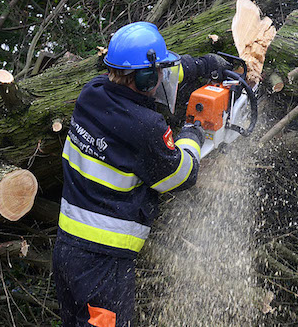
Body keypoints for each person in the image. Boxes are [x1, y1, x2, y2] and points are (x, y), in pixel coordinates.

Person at [52, 21, 231, 327]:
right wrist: (192, 135)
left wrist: (202, 65)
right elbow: (181, 175)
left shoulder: (92, 93)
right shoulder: (147, 127)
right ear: (145, 76)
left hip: (67, 251)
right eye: (157, 70)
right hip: (104, 265)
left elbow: (163, 73)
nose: (162, 75)